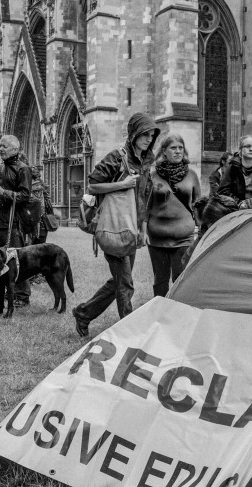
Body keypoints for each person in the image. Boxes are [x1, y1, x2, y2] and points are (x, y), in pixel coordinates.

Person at [72, 112, 159, 338]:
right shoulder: (117, 157)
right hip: (113, 227)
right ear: (133, 134)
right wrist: (122, 184)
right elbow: (92, 186)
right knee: (126, 283)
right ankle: (128, 334)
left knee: (120, 280)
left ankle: (83, 313)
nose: (148, 139)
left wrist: (142, 228)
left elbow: (144, 198)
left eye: (151, 135)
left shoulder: (146, 162)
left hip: (131, 228)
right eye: (144, 134)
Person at [147, 133, 201, 297]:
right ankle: (159, 315)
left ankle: (178, 316)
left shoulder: (191, 175)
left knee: (180, 279)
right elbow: (145, 206)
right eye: (173, 148)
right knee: (160, 281)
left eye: (180, 148)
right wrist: (142, 230)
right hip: (157, 238)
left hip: (183, 238)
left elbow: (198, 204)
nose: (177, 151)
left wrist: (201, 229)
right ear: (164, 151)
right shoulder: (152, 175)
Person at [0, 135, 32, 306]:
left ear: (15, 150)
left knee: (16, 259)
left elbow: (25, 196)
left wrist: (4, 193)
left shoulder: (23, 169)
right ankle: (8, 292)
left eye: (4, 146)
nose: (0, 149)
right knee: (2, 259)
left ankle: (22, 295)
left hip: (14, 223)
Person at [201, 135, 252, 235]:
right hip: (235, 214)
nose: (251, 149)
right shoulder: (232, 168)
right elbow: (222, 192)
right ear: (240, 149)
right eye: (247, 146)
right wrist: (239, 203)